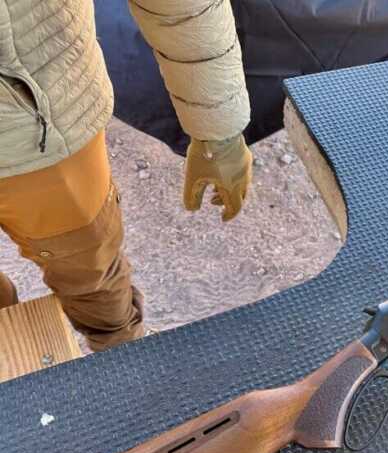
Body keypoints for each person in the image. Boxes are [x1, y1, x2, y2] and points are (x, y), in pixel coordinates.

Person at [0, 0, 253, 351]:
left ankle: (125, 352)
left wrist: (218, 130)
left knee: (91, 274)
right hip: (39, 127)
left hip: (37, 134)